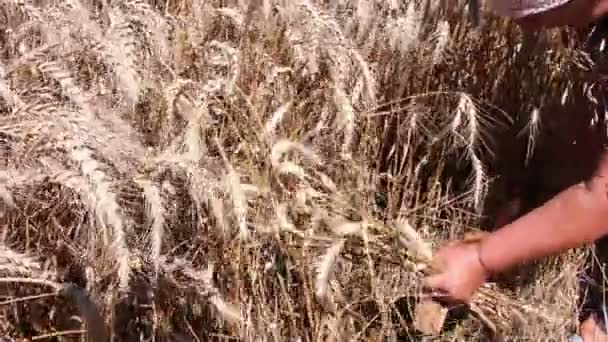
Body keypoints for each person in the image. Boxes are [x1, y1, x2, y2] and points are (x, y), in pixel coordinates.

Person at [424, 0, 608, 341]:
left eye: (536, 11)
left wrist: (482, 258)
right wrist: (541, 200)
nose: (527, 26)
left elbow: (605, 196)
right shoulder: (591, 24)